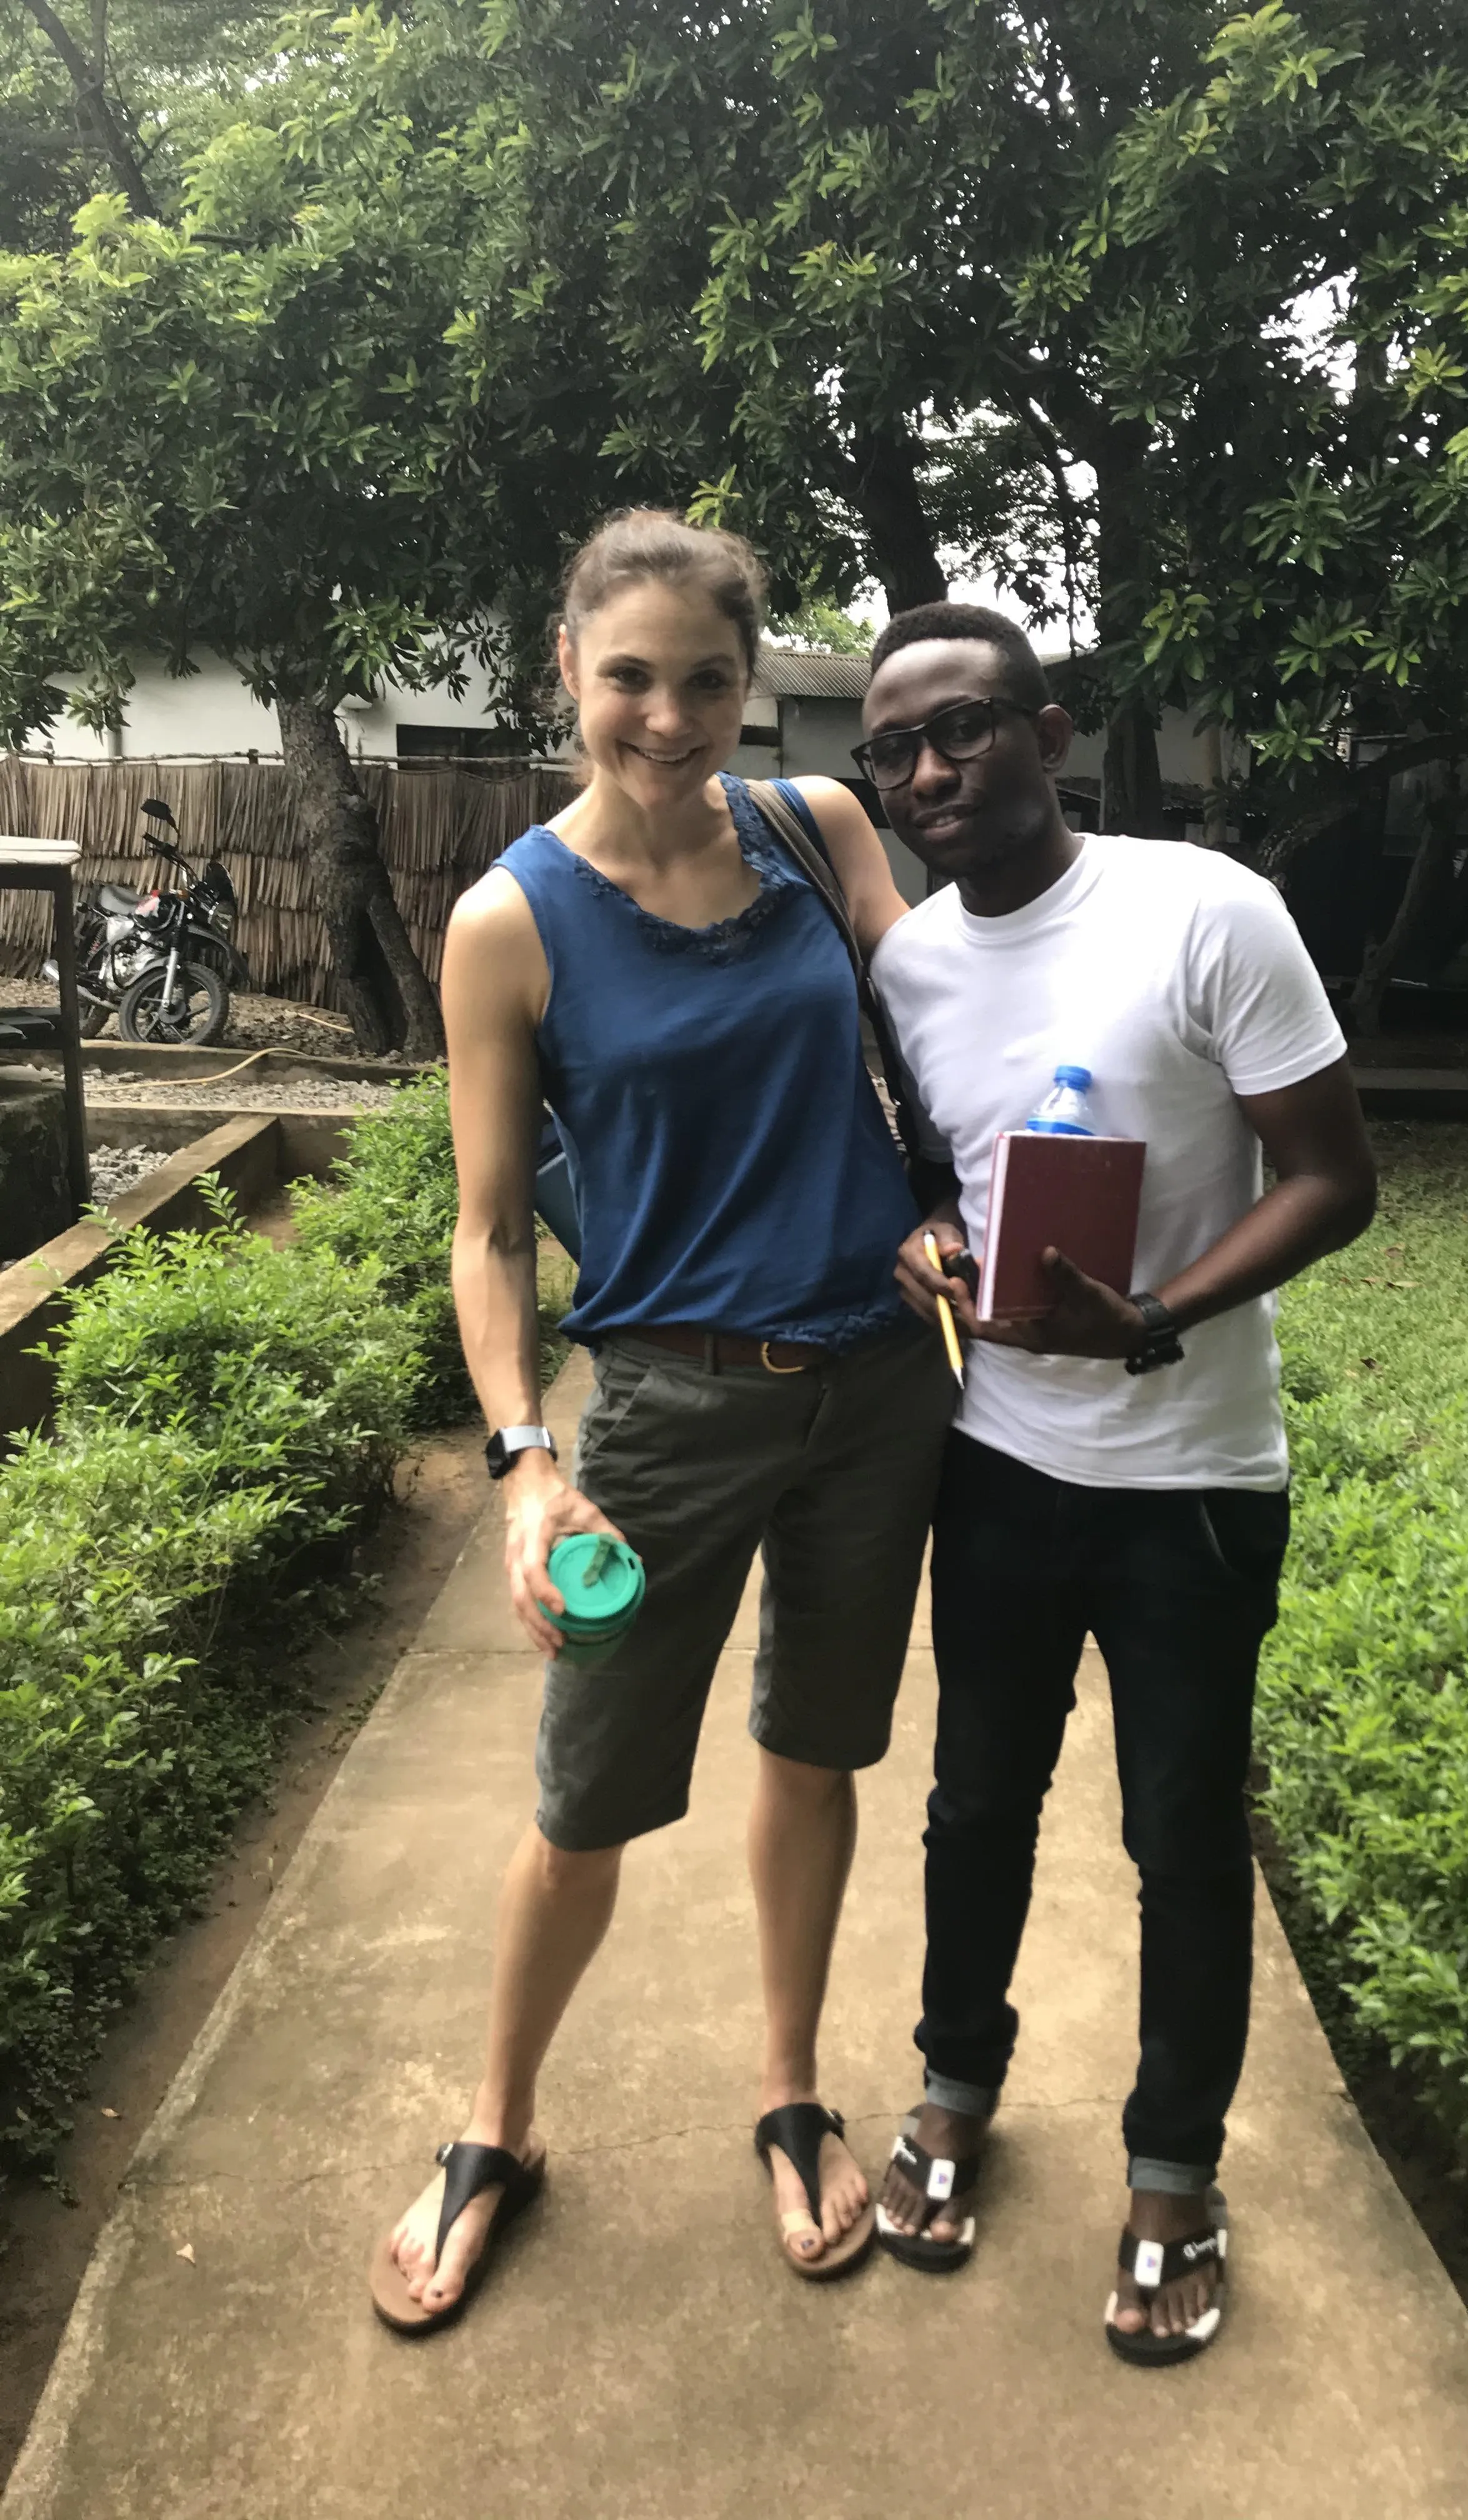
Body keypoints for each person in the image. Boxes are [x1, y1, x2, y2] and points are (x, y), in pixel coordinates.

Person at [371, 512, 956, 2333]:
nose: (671, 716)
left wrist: (955, 1200)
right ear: (569, 671)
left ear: (752, 685)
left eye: (711, 681)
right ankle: (498, 2130)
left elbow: (952, 1042)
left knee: (817, 1748)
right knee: (589, 1795)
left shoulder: (819, 831)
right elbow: (482, 1233)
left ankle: (787, 2089)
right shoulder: (507, 922)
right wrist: (528, 1461)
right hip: (666, 1418)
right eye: (631, 676)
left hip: (874, 1391)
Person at [862, 603, 1377, 2365]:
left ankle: (1173, 2174)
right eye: (896, 752)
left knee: (1179, 1842)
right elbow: (943, 1168)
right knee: (973, 1809)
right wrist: (928, 1234)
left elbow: (1333, 1179)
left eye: (965, 731)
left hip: (1198, 1482)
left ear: (1051, 733)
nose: (930, 771)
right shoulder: (913, 966)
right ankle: (952, 2087)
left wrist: (1154, 1316)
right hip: (997, 1465)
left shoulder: (1204, 911)